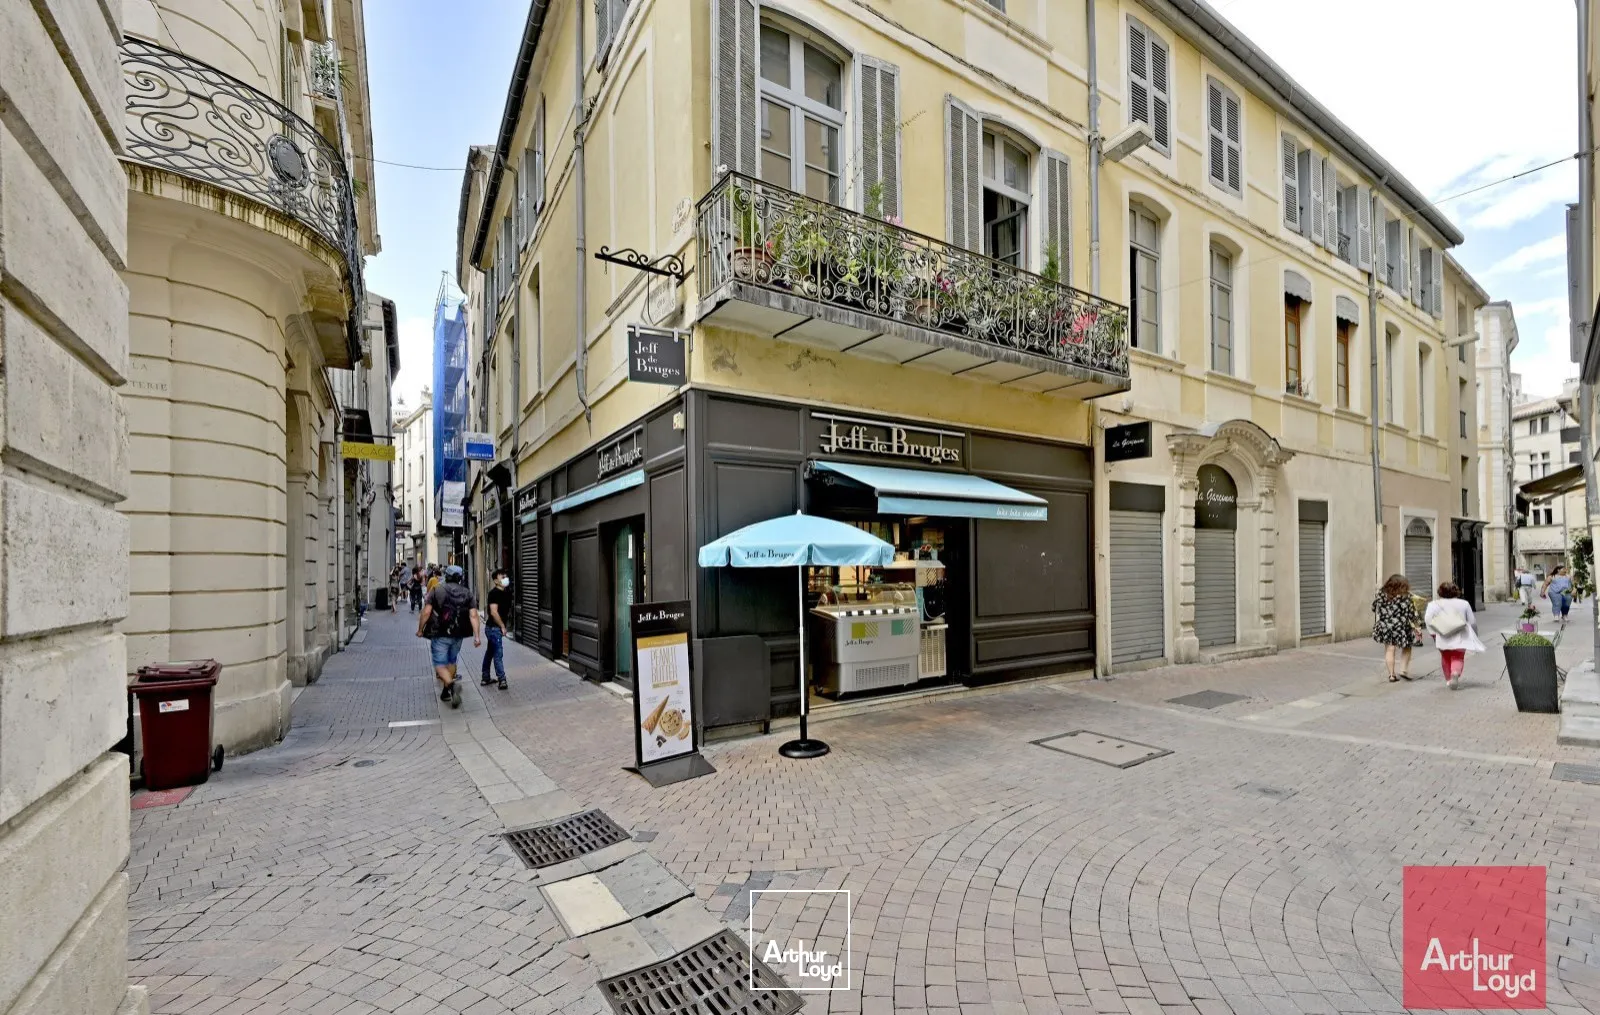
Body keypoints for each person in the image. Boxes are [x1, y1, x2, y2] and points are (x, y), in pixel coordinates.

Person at [417, 565, 480, 708]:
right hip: (459, 634)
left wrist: (420, 629)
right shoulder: (467, 593)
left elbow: (426, 612)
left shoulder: (437, 590)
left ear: (447, 576)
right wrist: (477, 636)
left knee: (439, 664)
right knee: (451, 661)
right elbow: (474, 615)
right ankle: (446, 691)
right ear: (459, 578)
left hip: (440, 632)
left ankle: (451, 686)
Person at [1425, 581, 1484, 690]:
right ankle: (1455, 673)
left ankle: (1448, 679)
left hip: (1441, 634)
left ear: (1440, 592)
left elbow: (1428, 619)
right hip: (1461, 634)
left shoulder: (1433, 604)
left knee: (1445, 656)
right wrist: (1475, 634)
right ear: (1456, 591)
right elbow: (1472, 621)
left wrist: (1433, 633)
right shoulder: (1464, 603)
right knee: (1458, 656)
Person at [1372, 574, 1420, 682]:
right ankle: (1403, 670)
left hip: (1386, 626)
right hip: (1401, 627)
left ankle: (1391, 675)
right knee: (1407, 647)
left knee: (1390, 649)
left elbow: (1374, 608)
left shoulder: (1381, 595)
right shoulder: (1406, 597)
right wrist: (1417, 626)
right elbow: (1412, 613)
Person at [481, 568, 513, 690]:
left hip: (496, 628)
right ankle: (502, 680)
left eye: (505, 576)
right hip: (493, 628)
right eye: (502, 577)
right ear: (495, 580)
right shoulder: (493, 593)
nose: (505, 578)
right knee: (498, 654)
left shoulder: (507, 592)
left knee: (490, 652)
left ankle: (485, 678)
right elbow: (493, 613)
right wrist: (503, 626)